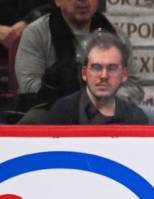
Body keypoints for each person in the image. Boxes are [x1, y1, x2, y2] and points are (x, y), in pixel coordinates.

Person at [14, 0, 143, 122]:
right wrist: (78, 103)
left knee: (147, 115)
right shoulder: (36, 33)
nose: (83, 0)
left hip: (108, 108)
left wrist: (105, 102)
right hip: (53, 109)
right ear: (57, 1)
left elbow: (132, 84)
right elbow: (29, 85)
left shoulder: (115, 35)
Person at [45, 31, 147, 124]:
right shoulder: (63, 112)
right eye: (96, 67)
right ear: (84, 73)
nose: (104, 76)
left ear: (124, 75)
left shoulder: (136, 117)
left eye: (112, 68)